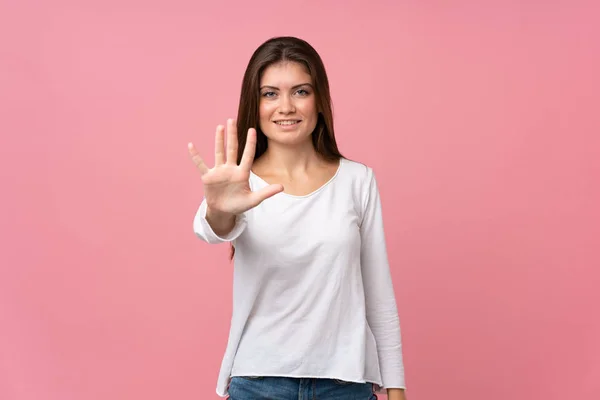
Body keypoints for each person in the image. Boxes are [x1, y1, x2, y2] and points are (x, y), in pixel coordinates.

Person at [188, 36, 407, 400]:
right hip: (259, 384)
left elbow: (379, 297)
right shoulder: (241, 184)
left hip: (345, 385)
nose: (285, 106)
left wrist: (397, 392)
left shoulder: (357, 181)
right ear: (254, 105)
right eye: (270, 94)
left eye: (300, 91)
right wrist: (219, 208)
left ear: (319, 100)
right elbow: (212, 229)